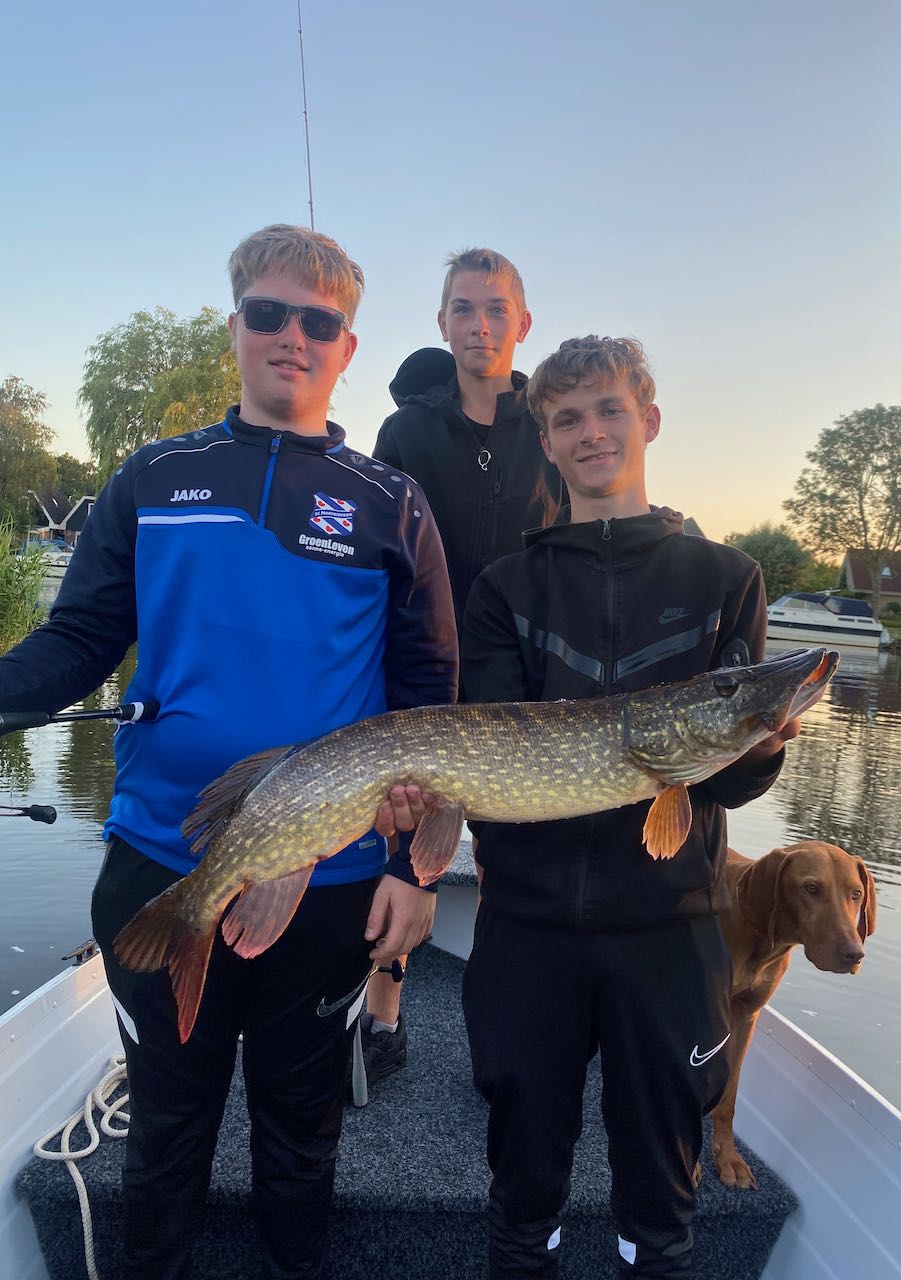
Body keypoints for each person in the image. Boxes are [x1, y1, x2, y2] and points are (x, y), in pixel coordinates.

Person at [0, 224, 458, 1279]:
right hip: (162, 860)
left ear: (346, 347)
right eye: (269, 313)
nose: (292, 336)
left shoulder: (391, 502)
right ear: (237, 324)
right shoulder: (155, 475)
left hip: (333, 880)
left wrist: (412, 868)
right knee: (167, 1133)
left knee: (301, 1138)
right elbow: (76, 641)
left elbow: (431, 703)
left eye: (319, 322)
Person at [458, 336, 802, 1279]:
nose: (592, 432)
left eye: (610, 410)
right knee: (522, 1183)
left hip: (670, 928)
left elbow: (724, 781)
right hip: (529, 928)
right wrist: (429, 803)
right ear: (548, 443)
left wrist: (761, 745)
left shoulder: (726, 579)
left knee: (661, 1201)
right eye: (568, 418)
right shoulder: (505, 588)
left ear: (648, 420)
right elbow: (489, 774)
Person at [359, 248, 564, 1084]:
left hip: (522, 675)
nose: (480, 325)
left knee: (520, 857)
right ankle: (383, 1013)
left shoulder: (551, 428)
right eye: (464, 309)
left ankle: (514, 1034)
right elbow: (376, 551)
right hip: (420, 664)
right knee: (404, 837)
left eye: (495, 309)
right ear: (442, 323)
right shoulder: (407, 431)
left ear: (523, 324)